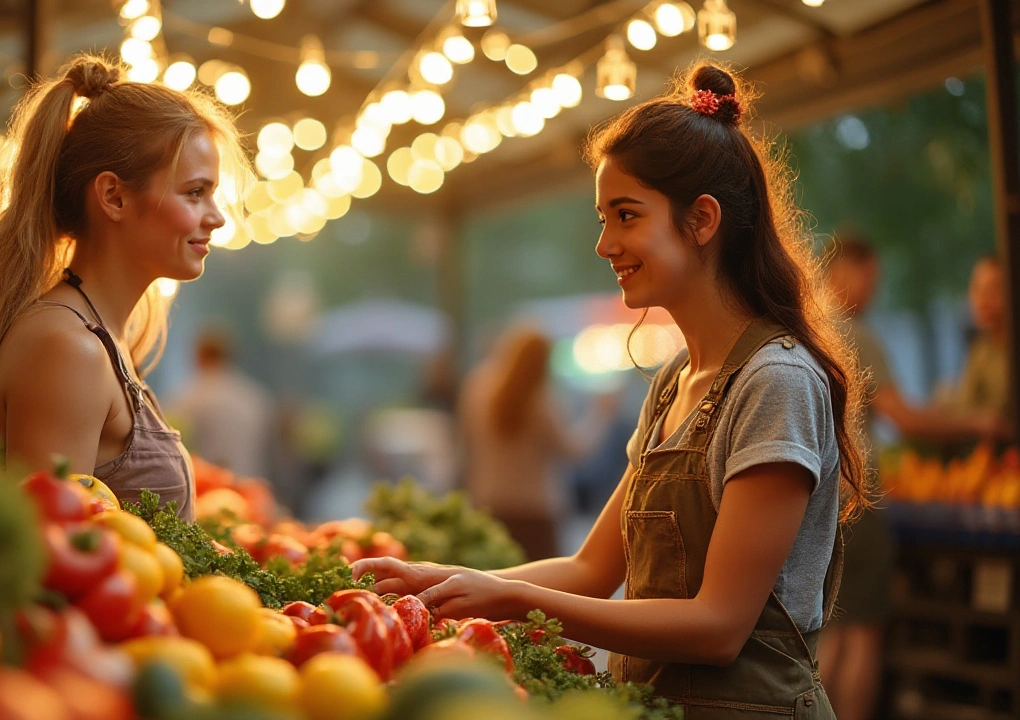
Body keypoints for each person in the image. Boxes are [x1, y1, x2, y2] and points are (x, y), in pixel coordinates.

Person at [354, 63, 874, 717]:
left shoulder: (775, 382)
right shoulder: (673, 384)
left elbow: (718, 628)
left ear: (702, 220)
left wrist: (511, 600)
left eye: (626, 215)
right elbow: (590, 571)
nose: (605, 244)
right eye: (603, 217)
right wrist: (448, 584)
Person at [0, 54, 249, 519]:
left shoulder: (94, 334)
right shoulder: (67, 349)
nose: (217, 217)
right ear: (114, 197)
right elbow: (52, 559)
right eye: (195, 192)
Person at [818, 235, 1004, 720]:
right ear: (845, 272)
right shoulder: (854, 333)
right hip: (855, 498)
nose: (872, 294)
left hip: (815, 501)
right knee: (862, 634)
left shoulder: (804, 329)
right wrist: (978, 423)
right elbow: (903, 417)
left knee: (830, 630)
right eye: (870, 280)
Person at [459, 327, 591, 561]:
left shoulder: (478, 387)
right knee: (541, 588)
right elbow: (573, 451)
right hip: (536, 510)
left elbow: (465, 440)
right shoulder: (542, 399)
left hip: (490, 503)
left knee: (493, 582)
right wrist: (601, 414)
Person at [170, 327, 273, 479]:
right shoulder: (256, 398)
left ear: (199, 355)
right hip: (251, 487)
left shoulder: (188, 399)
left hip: (206, 490)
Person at [957, 256, 1009, 418]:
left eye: (993, 289)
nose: (982, 299)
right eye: (977, 288)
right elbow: (965, 409)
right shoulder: (981, 348)